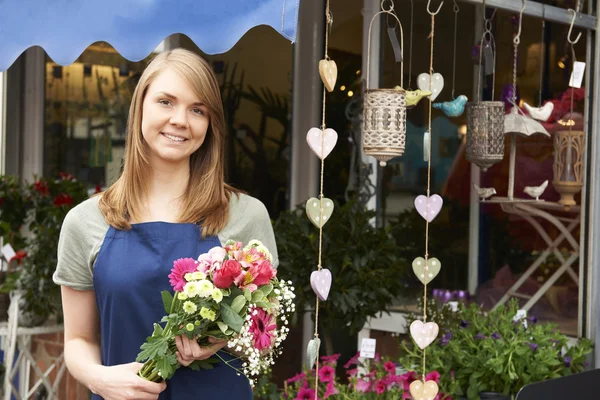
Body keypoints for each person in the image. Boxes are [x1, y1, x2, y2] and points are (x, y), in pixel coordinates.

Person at [53, 48, 278, 400]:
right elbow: (78, 340)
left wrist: (223, 337)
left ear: (210, 123)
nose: (180, 120)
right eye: (166, 102)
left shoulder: (246, 215)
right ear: (140, 107)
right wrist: (100, 379)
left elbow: (268, 332)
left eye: (197, 109)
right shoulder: (85, 222)